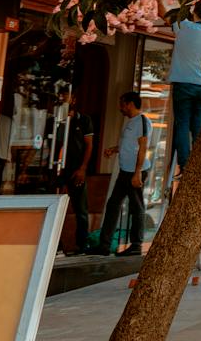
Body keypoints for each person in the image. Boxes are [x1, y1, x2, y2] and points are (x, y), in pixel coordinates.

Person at [99, 91, 152, 256]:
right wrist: (113, 150)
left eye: (122, 104)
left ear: (130, 104)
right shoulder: (129, 122)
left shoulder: (142, 121)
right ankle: (104, 245)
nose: (120, 108)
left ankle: (136, 244)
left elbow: (143, 147)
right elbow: (128, 146)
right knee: (114, 204)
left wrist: (137, 173)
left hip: (135, 171)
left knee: (136, 207)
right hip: (124, 171)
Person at [167, 18, 201, 176]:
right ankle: (199, 164)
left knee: (182, 125)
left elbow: (164, 12)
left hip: (183, 83)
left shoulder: (184, 26)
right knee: (199, 126)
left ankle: (185, 165)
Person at [57, 102, 96, 253]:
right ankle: (56, 245)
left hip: (76, 169)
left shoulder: (84, 120)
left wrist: (83, 168)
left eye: (66, 95)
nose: (63, 98)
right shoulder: (56, 119)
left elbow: (89, 145)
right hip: (58, 168)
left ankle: (82, 245)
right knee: (54, 206)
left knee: (80, 209)